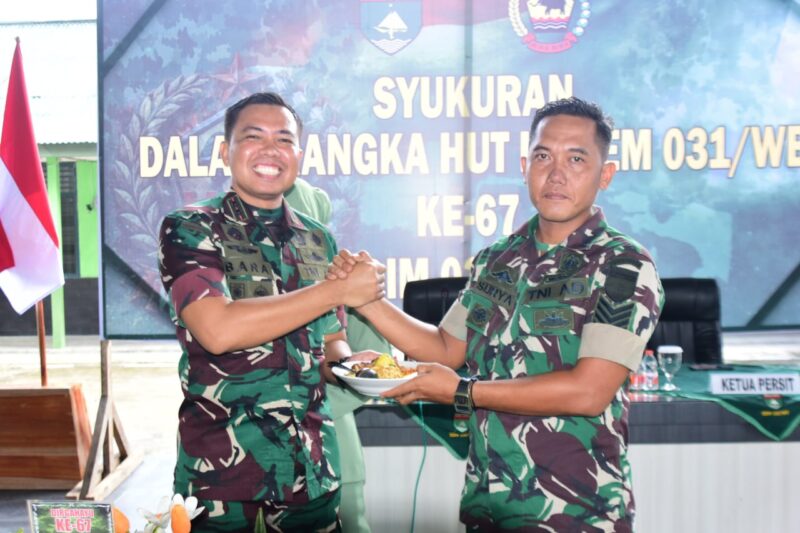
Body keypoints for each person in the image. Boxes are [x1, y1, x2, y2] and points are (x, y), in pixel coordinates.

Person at [329, 97, 664, 531]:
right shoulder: (497, 259)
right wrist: (366, 301)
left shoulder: (623, 265)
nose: (556, 174)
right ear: (525, 166)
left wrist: (462, 392)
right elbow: (446, 348)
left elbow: (588, 392)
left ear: (606, 174)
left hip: (575, 511)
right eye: (543, 156)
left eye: (576, 159)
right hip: (487, 504)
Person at [158, 92, 385, 531]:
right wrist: (335, 289)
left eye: (284, 139)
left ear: (299, 155)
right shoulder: (191, 228)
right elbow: (217, 331)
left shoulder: (317, 239)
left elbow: (330, 343)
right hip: (224, 478)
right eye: (253, 137)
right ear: (224, 151)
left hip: (313, 472)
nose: (270, 150)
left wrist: (356, 367)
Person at [285, 177, 388, 533]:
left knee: (350, 518)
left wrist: (346, 368)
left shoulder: (338, 284)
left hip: (331, 435)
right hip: (255, 452)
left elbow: (362, 359)